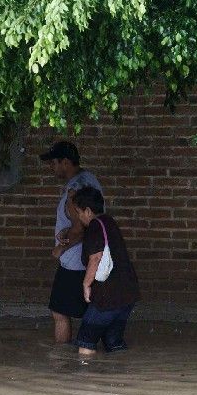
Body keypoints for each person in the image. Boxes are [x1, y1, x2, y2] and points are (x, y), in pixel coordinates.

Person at [41, 141, 102, 343]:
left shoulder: (75, 190)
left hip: (74, 262)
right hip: (89, 256)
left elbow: (79, 228)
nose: (51, 168)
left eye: (53, 163)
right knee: (87, 310)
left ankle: (62, 360)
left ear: (65, 162)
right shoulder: (90, 179)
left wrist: (60, 248)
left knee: (59, 312)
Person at [71, 186, 140, 355]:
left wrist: (86, 284)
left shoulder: (95, 226)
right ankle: (119, 378)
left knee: (86, 342)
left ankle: (82, 379)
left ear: (87, 211)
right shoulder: (109, 222)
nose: (79, 217)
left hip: (108, 296)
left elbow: (96, 257)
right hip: (128, 294)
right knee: (113, 342)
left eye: (78, 212)